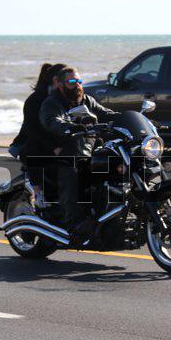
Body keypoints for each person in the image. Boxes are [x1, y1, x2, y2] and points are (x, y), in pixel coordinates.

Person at [39, 66, 118, 244]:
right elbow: (52, 121)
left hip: (89, 151)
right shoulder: (52, 103)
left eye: (79, 81)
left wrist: (129, 119)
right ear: (60, 85)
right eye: (72, 82)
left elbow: (106, 114)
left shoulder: (87, 100)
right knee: (75, 175)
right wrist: (71, 126)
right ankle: (75, 225)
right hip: (64, 152)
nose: (77, 85)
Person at [9, 62, 67, 206]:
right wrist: (54, 147)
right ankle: (38, 193)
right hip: (31, 144)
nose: (71, 83)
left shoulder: (67, 98)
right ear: (55, 80)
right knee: (35, 149)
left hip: (56, 142)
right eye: (67, 80)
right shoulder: (34, 100)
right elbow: (33, 130)